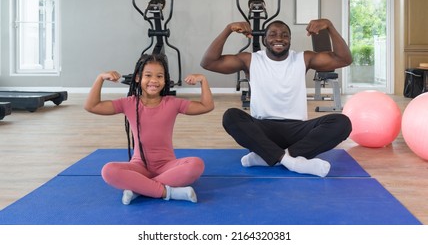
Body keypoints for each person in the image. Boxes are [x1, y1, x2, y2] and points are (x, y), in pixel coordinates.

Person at [200, 19, 352, 177]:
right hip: (263, 131)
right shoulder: (250, 60)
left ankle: (269, 157)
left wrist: (330, 26)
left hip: (297, 132)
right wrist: (228, 29)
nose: (279, 38)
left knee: (342, 123)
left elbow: (344, 59)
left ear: (290, 40)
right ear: (265, 40)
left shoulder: (303, 58)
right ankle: (291, 161)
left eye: (284, 35)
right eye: (273, 34)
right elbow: (209, 62)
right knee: (231, 116)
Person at [85, 53, 214, 205]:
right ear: (138, 78)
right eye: (148, 75)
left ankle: (139, 189)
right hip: (138, 166)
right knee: (108, 171)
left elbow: (207, 106)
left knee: (196, 164)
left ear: (165, 80)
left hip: (167, 167)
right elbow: (91, 106)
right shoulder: (129, 103)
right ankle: (168, 192)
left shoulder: (172, 103)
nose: (154, 80)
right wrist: (100, 78)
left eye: (159, 76)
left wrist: (203, 80)